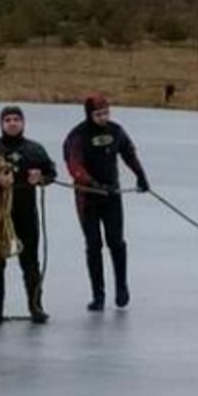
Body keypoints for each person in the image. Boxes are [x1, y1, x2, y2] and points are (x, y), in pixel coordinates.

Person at [63, 93, 150, 311]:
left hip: (112, 195)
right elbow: (74, 167)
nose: (103, 118)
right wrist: (93, 184)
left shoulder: (115, 131)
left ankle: (121, 287)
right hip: (87, 197)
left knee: (117, 242)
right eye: (98, 114)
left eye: (106, 113)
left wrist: (141, 176)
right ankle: (98, 295)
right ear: (89, 114)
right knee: (94, 245)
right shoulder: (77, 136)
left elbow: (129, 153)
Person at [0, 105, 57, 325]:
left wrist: (40, 178)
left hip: (26, 213)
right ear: (1, 124)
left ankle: (36, 307)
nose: (12, 123)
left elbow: (51, 173)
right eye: (8, 120)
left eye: (16, 119)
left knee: (30, 261)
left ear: (23, 123)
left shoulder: (35, 150)